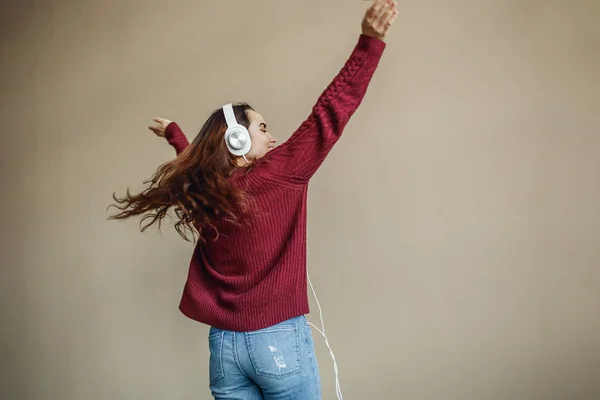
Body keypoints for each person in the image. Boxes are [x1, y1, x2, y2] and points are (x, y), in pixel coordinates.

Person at [109, 1, 398, 398]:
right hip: (278, 341)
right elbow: (329, 114)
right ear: (237, 139)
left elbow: (196, 169)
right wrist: (369, 44)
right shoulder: (279, 172)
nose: (273, 137)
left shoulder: (204, 195)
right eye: (263, 128)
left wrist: (177, 135)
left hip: (224, 349)